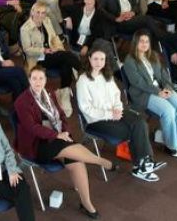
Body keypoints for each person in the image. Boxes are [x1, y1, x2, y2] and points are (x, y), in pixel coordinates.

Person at [14, 67, 113, 219]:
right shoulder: (22, 101)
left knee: (77, 163)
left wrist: (64, 131)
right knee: (69, 148)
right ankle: (100, 161)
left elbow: (61, 115)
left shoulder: (49, 94)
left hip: (56, 137)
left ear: (45, 80)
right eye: (34, 78)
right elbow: (32, 128)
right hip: (37, 145)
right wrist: (57, 134)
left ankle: (86, 203)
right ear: (29, 80)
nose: (38, 82)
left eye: (41, 78)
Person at [76, 47, 165, 182]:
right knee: (128, 131)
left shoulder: (107, 75)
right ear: (89, 59)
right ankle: (140, 166)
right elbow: (86, 109)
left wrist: (117, 108)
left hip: (115, 112)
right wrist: (110, 114)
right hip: (96, 120)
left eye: (102, 59)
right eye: (95, 59)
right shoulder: (83, 80)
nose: (99, 62)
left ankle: (144, 163)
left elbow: (117, 94)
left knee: (140, 121)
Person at [122, 31, 177, 156]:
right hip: (143, 94)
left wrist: (167, 87)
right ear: (135, 43)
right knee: (168, 110)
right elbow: (138, 83)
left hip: (160, 89)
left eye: (147, 41)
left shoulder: (153, 55)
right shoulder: (130, 60)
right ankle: (172, 147)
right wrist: (158, 92)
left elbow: (164, 74)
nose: (144, 44)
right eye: (141, 41)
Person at [19, 2, 80, 115]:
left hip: (52, 52)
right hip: (38, 58)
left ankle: (64, 93)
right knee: (67, 56)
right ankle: (83, 73)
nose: (40, 15)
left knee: (65, 62)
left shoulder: (46, 21)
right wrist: (44, 50)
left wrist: (58, 48)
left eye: (43, 13)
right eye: (38, 12)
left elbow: (54, 37)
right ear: (32, 12)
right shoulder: (25, 29)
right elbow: (27, 50)